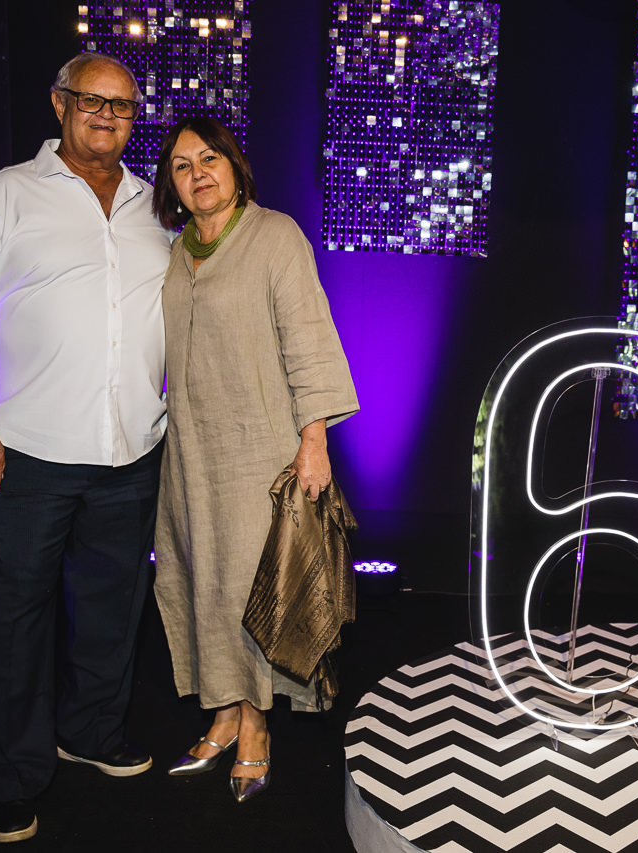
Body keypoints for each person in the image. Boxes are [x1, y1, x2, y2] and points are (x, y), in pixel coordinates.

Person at [0, 52, 172, 843]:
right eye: (90, 99)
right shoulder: (4, 196)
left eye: (123, 105)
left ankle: (91, 731)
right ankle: (11, 776)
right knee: (15, 619)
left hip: (131, 450)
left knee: (112, 606)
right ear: (59, 104)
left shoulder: (152, 205)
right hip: (26, 451)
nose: (107, 115)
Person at [150, 116, 358, 803]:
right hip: (189, 455)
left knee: (249, 587)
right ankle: (222, 710)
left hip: (259, 450)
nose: (198, 173)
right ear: (172, 185)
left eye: (210, 158)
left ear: (235, 168)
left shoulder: (275, 236)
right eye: (182, 165)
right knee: (198, 581)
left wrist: (313, 441)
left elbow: (309, 340)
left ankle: (256, 724)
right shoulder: (174, 253)